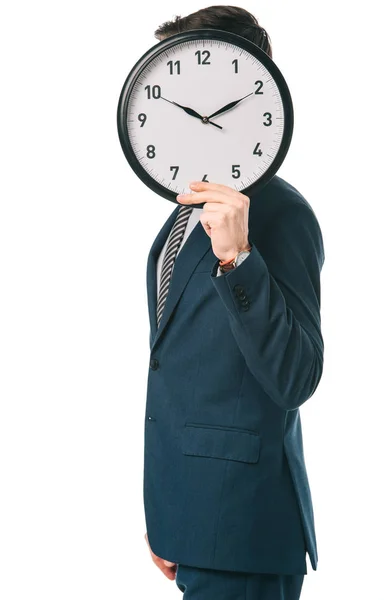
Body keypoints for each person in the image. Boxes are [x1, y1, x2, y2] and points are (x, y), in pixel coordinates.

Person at [143, 6, 325, 599]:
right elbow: (182, 375)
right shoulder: (186, 209)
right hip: (196, 522)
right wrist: (169, 513)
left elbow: (296, 376)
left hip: (245, 530)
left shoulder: (280, 214)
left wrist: (238, 259)